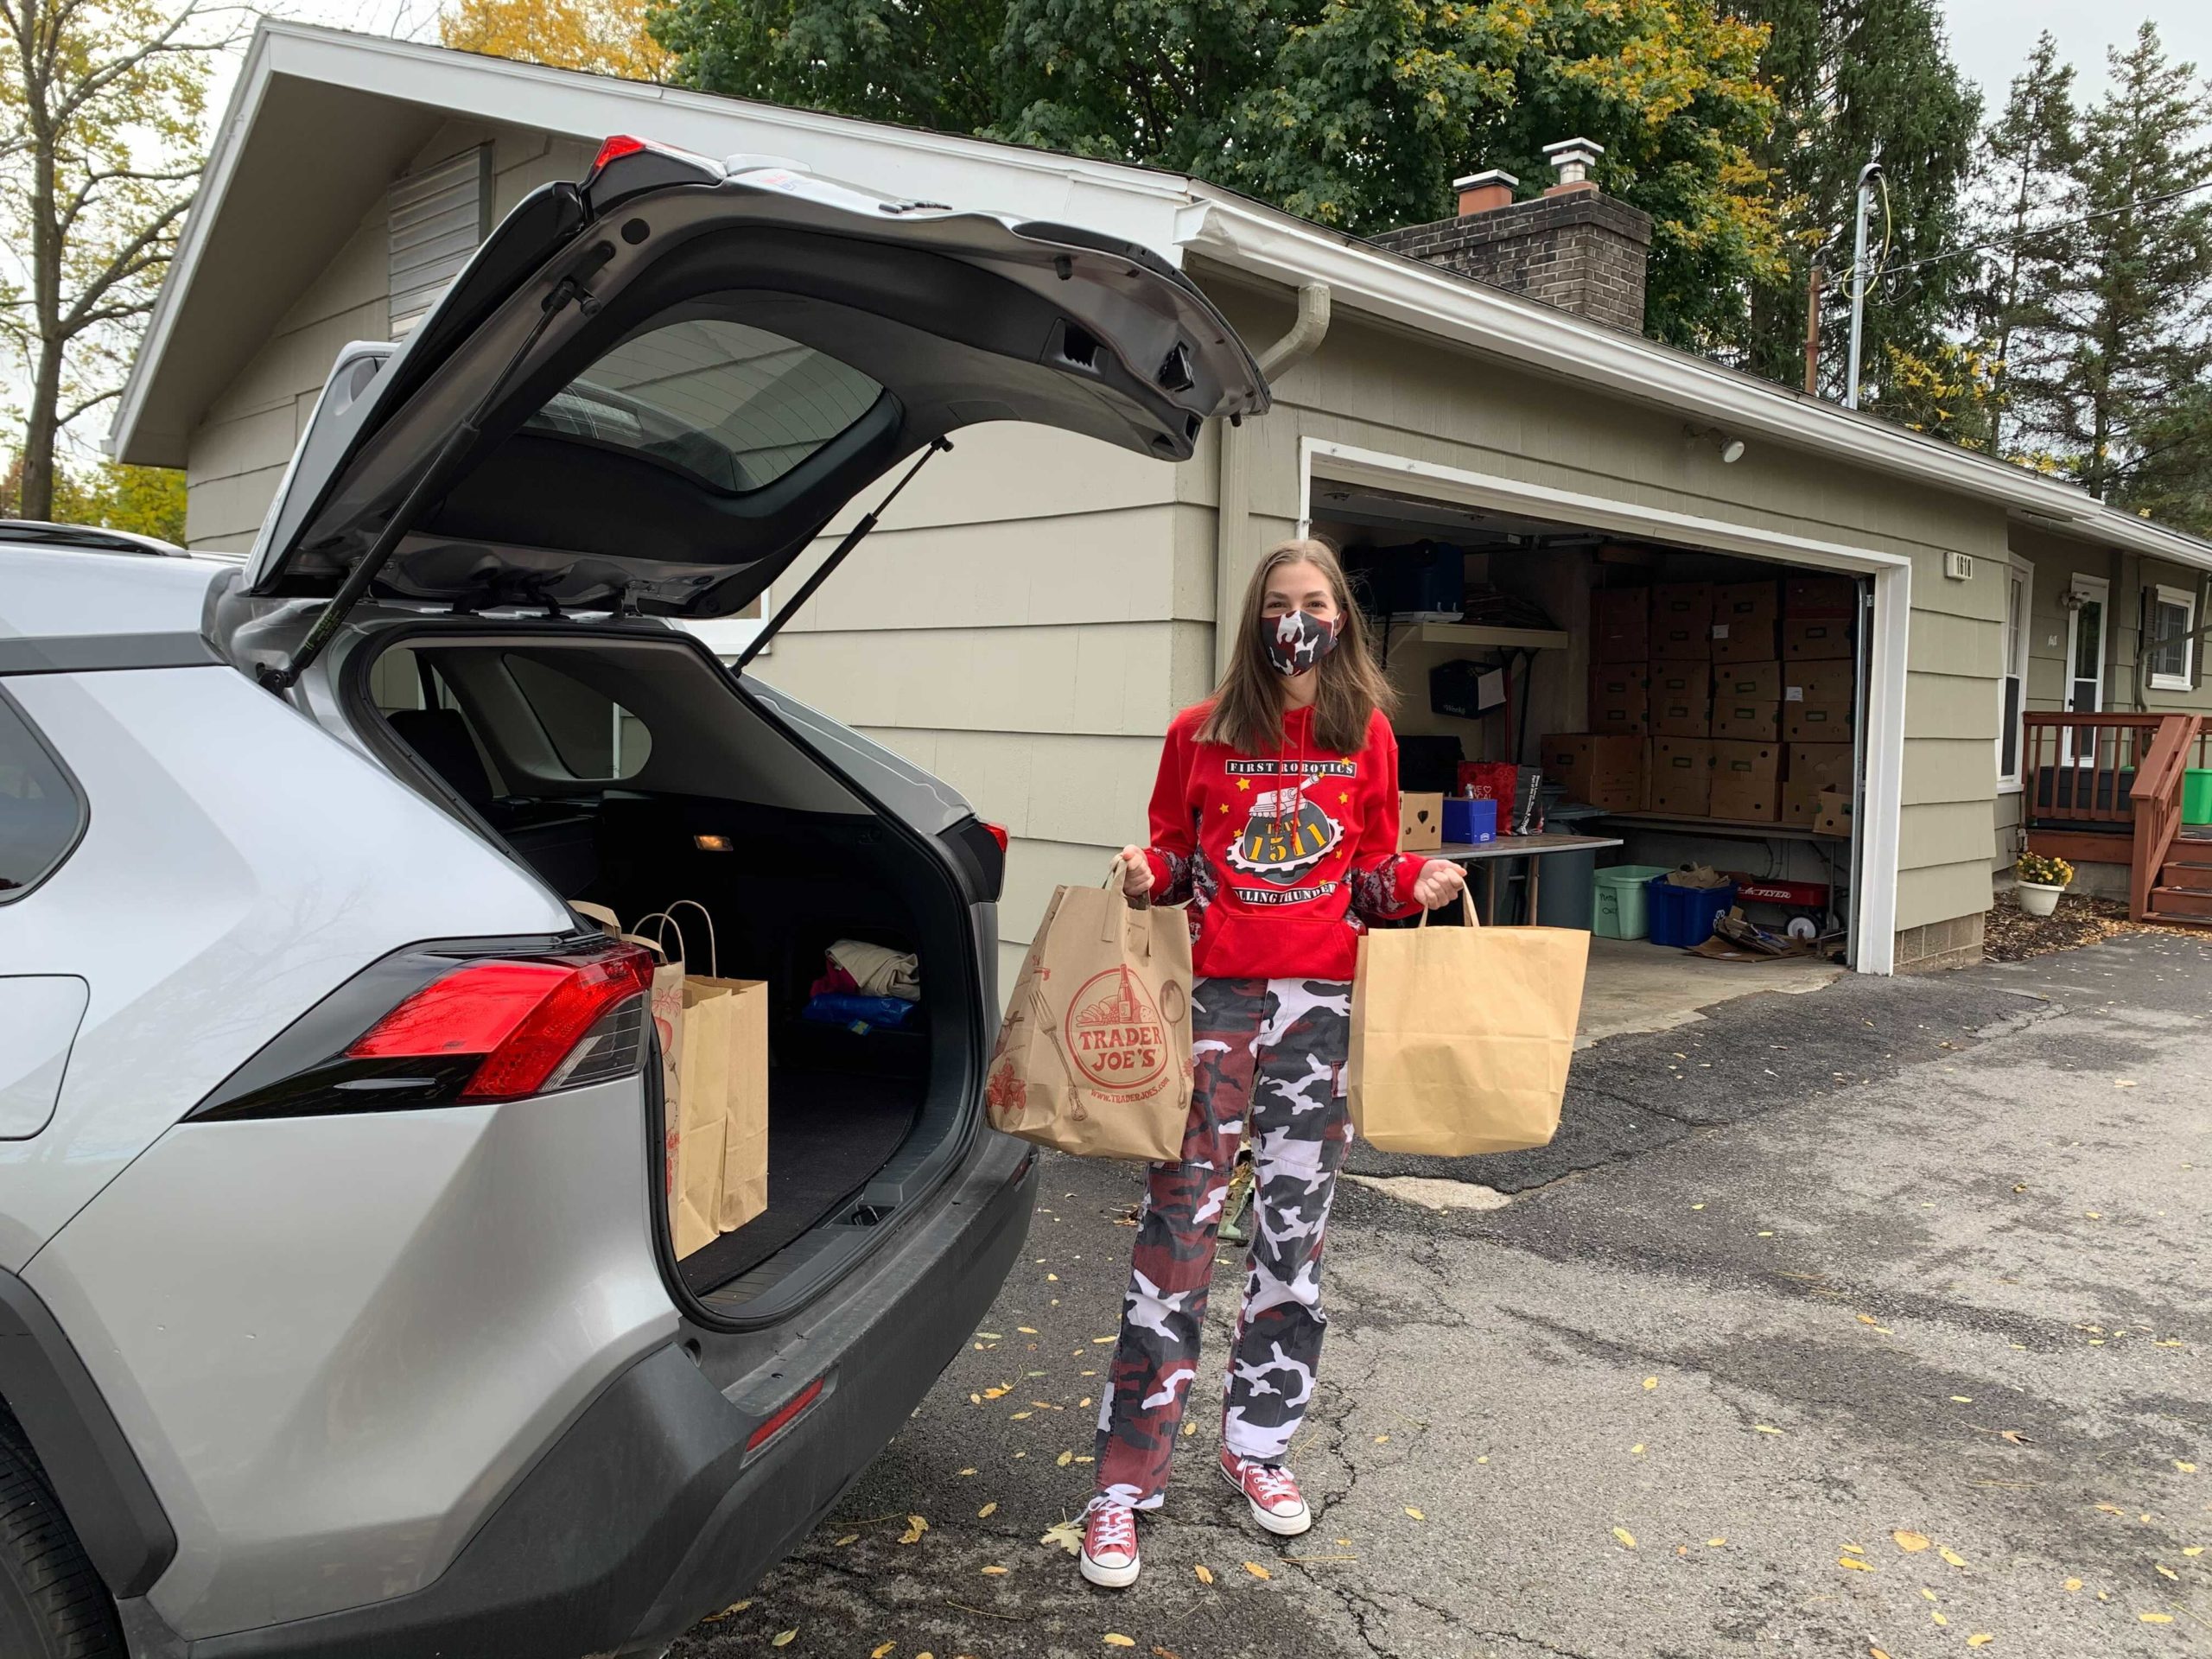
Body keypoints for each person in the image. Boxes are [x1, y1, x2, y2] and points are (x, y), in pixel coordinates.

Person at [1079, 538, 1468, 1588]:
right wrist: (1141, 868)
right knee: (1176, 1236)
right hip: (1213, 1007)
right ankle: (1124, 1487)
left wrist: (1415, 883)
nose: (1297, 618)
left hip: (1319, 1014)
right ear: (1254, 619)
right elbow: (1171, 858)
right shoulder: (1197, 733)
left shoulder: (1365, 736)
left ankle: (1259, 1450)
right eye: (1279, 603)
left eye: (1317, 602)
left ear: (1342, 619)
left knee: (1291, 1244)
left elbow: (1372, 874)